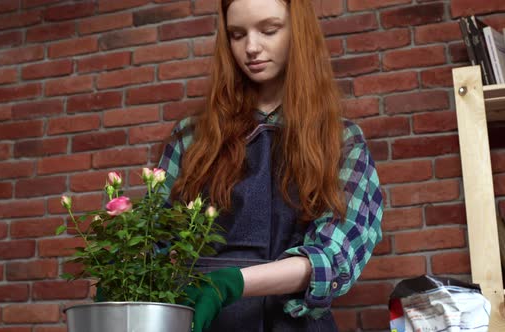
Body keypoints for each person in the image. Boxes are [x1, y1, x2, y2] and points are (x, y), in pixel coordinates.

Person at [157, 0, 383, 331]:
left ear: (298, 32)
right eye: (237, 34)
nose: (251, 47)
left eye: (269, 30)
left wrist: (230, 283)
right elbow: (157, 239)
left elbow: (334, 256)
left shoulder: (341, 141)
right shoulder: (191, 138)